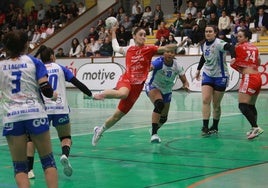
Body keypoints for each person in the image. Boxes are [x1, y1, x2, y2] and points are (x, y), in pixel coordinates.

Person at [91, 26, 178, 146]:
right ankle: (98, 94)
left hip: (137, 88)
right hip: (126, 80)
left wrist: (179, 44)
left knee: (117, 116)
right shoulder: (128, 49)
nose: (143, 37)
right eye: (140, 34)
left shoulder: (150, 49)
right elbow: (115, 47)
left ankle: (99, 130)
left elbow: (165, 48)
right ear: (134, 36)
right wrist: (113, 33)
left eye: (144, 35)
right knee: (122, 93)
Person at [0, 30, 58, 187]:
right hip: (35, 113)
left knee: (20, 168)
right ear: (26, 44)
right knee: (48, 162)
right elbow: (45, 88)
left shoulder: (1, 66)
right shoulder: (34, 62)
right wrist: (53, 94)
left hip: (12, 116)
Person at [30, 45, 93, 177]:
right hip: (61, 109)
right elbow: (77, 83)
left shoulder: (38, 70)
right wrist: (90, 94)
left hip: (44, 111)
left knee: (33, 139)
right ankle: (64, 155)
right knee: (65, 137)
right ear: (53, 56)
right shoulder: (61, 68)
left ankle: (29, 170)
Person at [195, 25, 235, 136]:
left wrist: (233, 57)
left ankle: (215, 126)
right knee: (205, 100)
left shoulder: (219, 43)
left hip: (220, 76)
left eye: (210, 31)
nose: (207, 33)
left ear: (215, 33)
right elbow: (204, 56)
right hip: (207, 74)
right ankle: (205, 127)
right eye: (206, 31)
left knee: (216, 104)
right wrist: (198, 70)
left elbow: (231, 47)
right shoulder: (203, 45)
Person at [145, 48, 189, 143]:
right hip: (153, 85)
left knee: (164, 118)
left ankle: (153, 129)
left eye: (171, 52)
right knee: (159, 104)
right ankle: (154, 134)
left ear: (174, 54)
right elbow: (151, 67)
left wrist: (185, 85)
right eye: (167, 52)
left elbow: (184, 80)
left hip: (167, 90)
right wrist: (147, 68)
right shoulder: (159, 62)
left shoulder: (177, 66)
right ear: (163, 53)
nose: (169, 54)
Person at [230, 29, 264, 139]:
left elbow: (236, 62)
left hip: (249, 77)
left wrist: (233, 63)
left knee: (242, 105)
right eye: (237, 36)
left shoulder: (239, 47)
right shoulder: (254, 47)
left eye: (240, 36)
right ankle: (253, 129)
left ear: (246, 38)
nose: (238, 38)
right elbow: (258, 62)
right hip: (258, 77)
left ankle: (255, 127)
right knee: (251, 105)